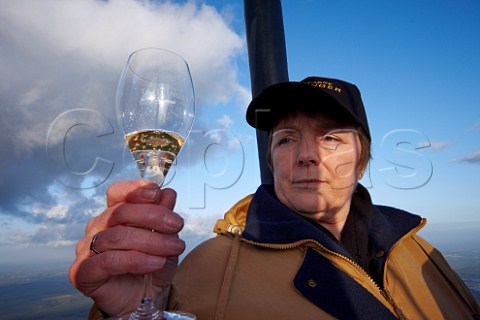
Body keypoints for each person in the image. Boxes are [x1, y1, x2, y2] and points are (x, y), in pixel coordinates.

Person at [69, 76, 480, 319]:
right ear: (272, 159)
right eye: (286, 139)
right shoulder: (209, 269)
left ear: (361, 160)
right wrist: (133, 311)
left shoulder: (420, 248)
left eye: (331, 138)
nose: (306, 155)